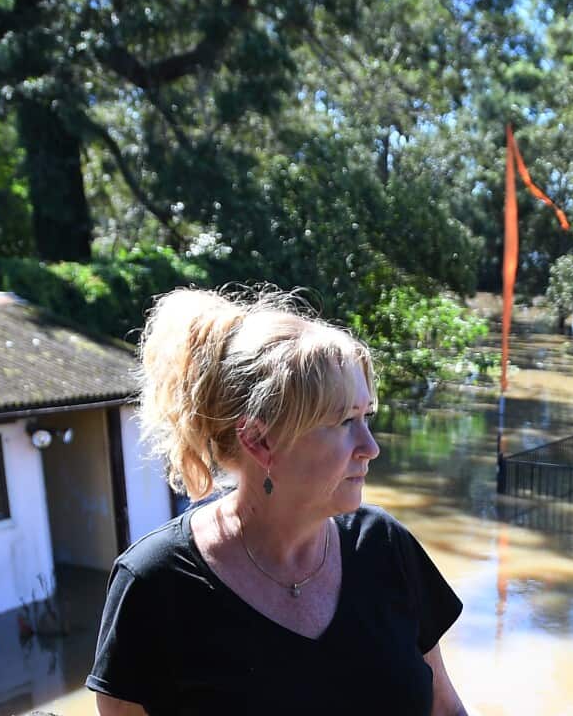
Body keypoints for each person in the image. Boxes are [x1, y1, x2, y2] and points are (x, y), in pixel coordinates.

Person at [88, 287, 468, 716]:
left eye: (367, 417)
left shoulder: (385, 546)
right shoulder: (155, 585)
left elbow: (446, 709)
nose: (370, 447)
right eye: (344, 421)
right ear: (259, 439)